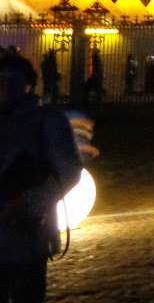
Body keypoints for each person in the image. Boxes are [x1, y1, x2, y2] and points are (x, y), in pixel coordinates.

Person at [0, 53, 83, 302]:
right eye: (0, 80)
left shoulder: (47, 120)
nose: (5, 87)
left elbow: (67, 171)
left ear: (28, 84)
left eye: (12, 80)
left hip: (25, 232)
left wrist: (27, 203)